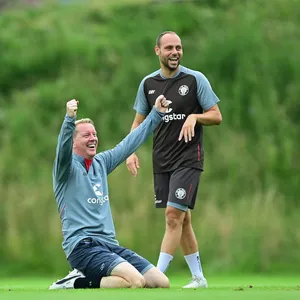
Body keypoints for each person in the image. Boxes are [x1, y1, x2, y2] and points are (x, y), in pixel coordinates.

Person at [126, 31, 222, 289]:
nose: (175, 52)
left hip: (189, 158)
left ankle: (156, 277)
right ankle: (199, 278)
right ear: (157, 51)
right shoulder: (147, 84)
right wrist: (130, 151)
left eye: (178, 47)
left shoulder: (194, 79)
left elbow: (216, 115)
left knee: (172, 216)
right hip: (162, 160)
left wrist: (195, 117)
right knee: (182, 219)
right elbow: (139, 121)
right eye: (169, 48)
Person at [49, 97, 171, 289]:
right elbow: (62, 149)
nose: (93, 138)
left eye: (94, 134)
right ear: (73, 142)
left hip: (109, 244)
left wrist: (156, 114)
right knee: (136, 282)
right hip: (83, 246)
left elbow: (129, 143)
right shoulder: (65, 168)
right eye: (86, 135)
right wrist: (69, 120)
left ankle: (80, 279)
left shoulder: (101, 162)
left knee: (160, 282)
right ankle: (75, 282)